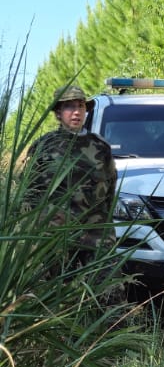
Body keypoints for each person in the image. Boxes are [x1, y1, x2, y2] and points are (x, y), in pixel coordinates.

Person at [23, 84, 117, 267]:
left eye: (81, 106)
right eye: (69, 106)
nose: (76, 112)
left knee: (106, 281)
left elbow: (110, 191)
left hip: (95, 232)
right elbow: (29, 192)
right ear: (58, 112)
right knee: (56, 282)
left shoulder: (100, 147)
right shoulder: (44, 146)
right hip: (55, 234)